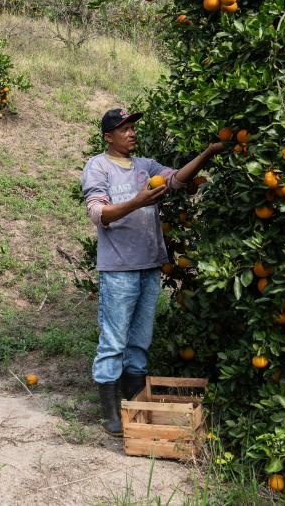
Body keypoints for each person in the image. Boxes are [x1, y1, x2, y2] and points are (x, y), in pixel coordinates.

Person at [80, 108, 226, 435]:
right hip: (118, 269)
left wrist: (207, 153)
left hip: (149, 267)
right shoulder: (98, 166)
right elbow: (98, 214)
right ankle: (110, 413)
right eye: (124, 129)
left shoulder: (146, 166)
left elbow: (178, 179)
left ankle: (133, 406)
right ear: (108, 137)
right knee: (114, 340)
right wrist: (138, 200)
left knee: (140, 342)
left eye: (133, 128)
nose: (131, 133)